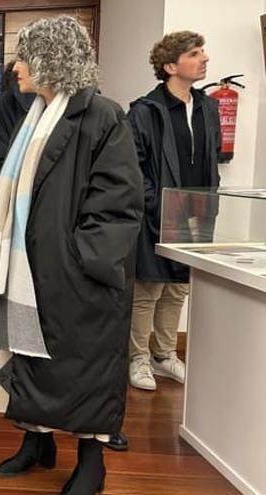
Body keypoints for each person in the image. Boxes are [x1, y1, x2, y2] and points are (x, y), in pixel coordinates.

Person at [0, 16, 142, 494]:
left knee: (84, 365)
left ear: (51, 60)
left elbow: (118, 203)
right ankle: (36, 443)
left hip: (74, 275)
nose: (16, 67)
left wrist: (81, 259)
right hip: (27, 268)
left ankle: (92, 462)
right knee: (28, 358)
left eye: (24, 57)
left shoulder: (102, 116)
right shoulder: (33, 117)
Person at [126, 31, 221, 391]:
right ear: (170, 66)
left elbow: (212, 161)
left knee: (178, 288)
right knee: (148, 288)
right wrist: (154, 204)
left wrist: (210, 205)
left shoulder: (209, 107)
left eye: (202, 51)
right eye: (194, 53)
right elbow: (134, 168)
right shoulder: (144, 111)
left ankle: (164, 355)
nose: (204, 58)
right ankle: (137, 358)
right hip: (157, 211)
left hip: (198, 209)